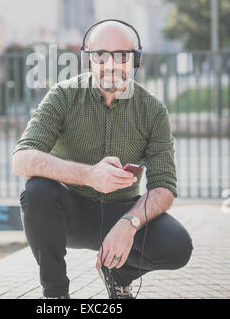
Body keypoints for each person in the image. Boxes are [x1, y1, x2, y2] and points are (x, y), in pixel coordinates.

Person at [12, 19, 193, 299]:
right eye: (101, 55)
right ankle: (55, 293)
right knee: (36, 190)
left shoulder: (153, 110)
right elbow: (22, 159)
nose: (111, 63)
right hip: (70, 213)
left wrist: (129, 224)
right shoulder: (62, 95)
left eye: (122, 55)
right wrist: (88, 175)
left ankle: (119, 274)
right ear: (88, 59)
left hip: (122, 211)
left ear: (136, 59)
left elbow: (164, 187)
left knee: (178, 245)